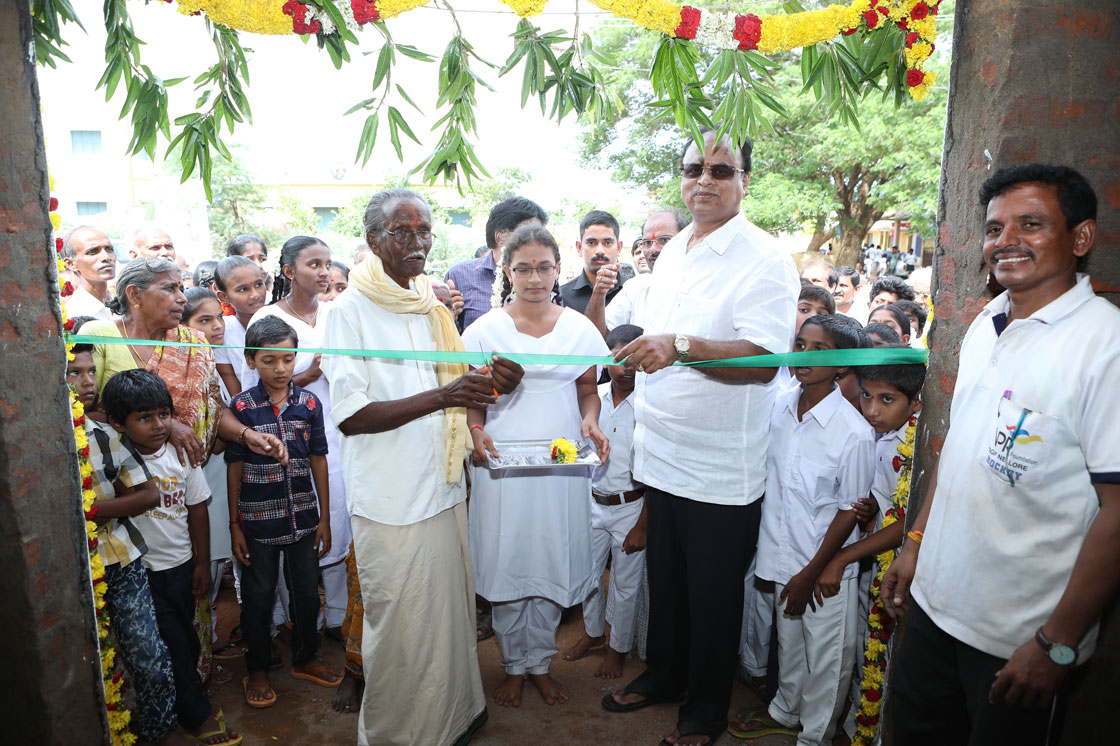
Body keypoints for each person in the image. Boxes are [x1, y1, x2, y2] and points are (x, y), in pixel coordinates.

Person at [883, 164, 1120, 745]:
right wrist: (915, 545)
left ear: (1081, 237)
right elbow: (958, 448)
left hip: (1018, 643)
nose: (1006, 241)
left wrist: (1056, 643)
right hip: (933, 610)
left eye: (1030, 224)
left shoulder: (1105, 345)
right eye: (994, 228)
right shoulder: (987, 322)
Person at [603, 129, 798, 746]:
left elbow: (764, 360)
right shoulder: (674, 250)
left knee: (712, 598)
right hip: (661, 455)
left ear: (745, 180)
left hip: (720, 469)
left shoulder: (766, 258)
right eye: (694, 169)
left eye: (721, 170)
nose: (705, 181)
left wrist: (681, 346)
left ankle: (706, 711)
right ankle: (665, 674)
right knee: (667, 584)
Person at [322, 187, 524, 746]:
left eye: (425, 231)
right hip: (391, 500)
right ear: (373, 240)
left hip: (442, 485)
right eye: (402, 231)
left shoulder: (429, 305)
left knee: (445, 620)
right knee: (401, 629)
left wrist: (495, 384)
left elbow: (457, 389)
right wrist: (447, 396)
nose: (418, 242)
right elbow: (352, 416)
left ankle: (450, 720)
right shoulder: (347, 312)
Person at [463, 224, 611, 707]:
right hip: (502, 459)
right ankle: (512, 666)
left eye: (543, 268)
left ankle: (541, 664)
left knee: (550, 556)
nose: (534, 278)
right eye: (523, 268)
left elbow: (587, 390)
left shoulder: (580, 329)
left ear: (557, 269)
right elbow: (472, 398)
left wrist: (590, 421)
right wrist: (476, 431)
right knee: (508, 557)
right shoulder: (483, 331)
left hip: (561, 458)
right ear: (507, 271)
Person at [733, 314, 875, 745]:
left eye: (820, 349)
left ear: (842, 364)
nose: (805, 355)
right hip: (781, 554)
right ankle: (785, 710)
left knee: (827, 659)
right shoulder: (779, 407)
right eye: (800, 344)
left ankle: (814, 736)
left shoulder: (854, 432)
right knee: (790, 644)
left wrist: (812, 572)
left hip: (823, 567)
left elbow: (850, 511)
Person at [102, 369, 242, 746]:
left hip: (179, 565)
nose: (158, 425)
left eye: (163, 414)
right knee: (170, 646)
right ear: (119, 423)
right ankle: (195, 715)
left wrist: (201, 563)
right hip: (139, 570)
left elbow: (197, 508)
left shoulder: (180, 456)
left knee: (186, 640)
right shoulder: (116, 458)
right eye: (144, 418)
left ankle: (181, 705)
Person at [70, 327, 193, 746]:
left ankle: (160, 728)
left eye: (91, 371)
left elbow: (148, 494)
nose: (87, 382)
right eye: (74, 372)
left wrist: (87, 511)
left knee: (148, 653)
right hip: (74, 564)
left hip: (119, 556)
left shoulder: (106, 437)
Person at [227, 316, 340, 708]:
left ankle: (306, 658)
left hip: (303, 518)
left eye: (288, 359)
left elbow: (318, 459)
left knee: (306, 593)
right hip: (257, 522)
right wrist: (235, 524)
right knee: (258, 597)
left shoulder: (309, 404)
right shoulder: (242, 408)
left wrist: (324, 517)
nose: (280, 368)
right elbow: (234, 466)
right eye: (269, 360)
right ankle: (257, 669)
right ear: (250, 361)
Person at [245, 237, 351, 651]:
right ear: (288, 271)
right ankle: (293, 617)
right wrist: (304, 377)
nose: (324, 272)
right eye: (313, 264)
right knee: (290, 525)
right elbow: (254, 383)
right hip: (284, 436)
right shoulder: (267, 318)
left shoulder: (337, 313)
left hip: (336, 432)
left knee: (335, 513)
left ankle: (337, 616)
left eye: (327, 264)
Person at [828, 357, 925, 742]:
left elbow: (905, 523)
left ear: (915, 402)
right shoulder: (874, 433)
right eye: (867, 396)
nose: (872, 409)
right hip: (872, 555)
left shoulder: (914, 444)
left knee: (882, 655)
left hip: (894, 563)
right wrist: (870, 506)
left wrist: (845, 555)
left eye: (887, 400)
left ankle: (869, 733)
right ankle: (856, 727)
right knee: (864, 649)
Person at [562, 323, 647, 680]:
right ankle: (594, 633)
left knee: (625, 586)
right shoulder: (591, 399)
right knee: (588, 575)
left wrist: (644, 524)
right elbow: (572, 447)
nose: (627, 367)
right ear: (605, 359)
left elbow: (657, 469)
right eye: (619, 358)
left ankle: (618, 649)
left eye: (635, 360)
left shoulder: (649, 403)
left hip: (632, 507)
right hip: (593, 503)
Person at [182, 288, 235, 662]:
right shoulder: (185, 367)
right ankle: (199, 652)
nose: (218, 326)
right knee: (202, 566)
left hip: (217, 478)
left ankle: (208, 643)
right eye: (205, 320)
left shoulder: (215, 360)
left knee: (212, 565)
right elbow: (212, 441)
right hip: (201, 478)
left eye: (219, 317)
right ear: (183, 326)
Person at [445, 196, 548, 332]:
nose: (536, 242)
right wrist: (446, 316)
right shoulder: (460, 275)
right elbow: (449, 335)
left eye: (540, 235)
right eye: (528, 234)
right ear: (500, 236)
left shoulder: (547, 277)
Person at [588, 209, 689, 338]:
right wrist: (598, 295)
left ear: (688, 241)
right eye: (647, 243)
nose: (653, 249)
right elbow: (598, 338)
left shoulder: (702, 285)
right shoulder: (636, 287)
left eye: (664, 240)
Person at [212, 256, 267, 398]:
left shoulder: (285, 320)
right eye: (243, 289)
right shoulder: (223, 332)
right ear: (223, 297)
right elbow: (237, 396)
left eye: (258, 284)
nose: (255, 295)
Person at [560, 209, 626, 314]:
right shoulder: (562, 297)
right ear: (579, 247)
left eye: (607, 243)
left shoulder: (633, 292)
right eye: (591, 243)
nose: (600, 251)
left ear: (619, 247)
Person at [61, 226, 117, 320]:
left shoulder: (125, 305)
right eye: (93, 252)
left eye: (109, 249)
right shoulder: (74, 315)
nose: (106, 257)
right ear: (71, 264)